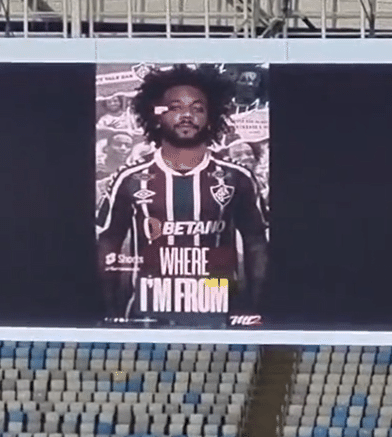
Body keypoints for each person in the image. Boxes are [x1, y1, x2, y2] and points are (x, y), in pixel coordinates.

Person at [96, 64, 268, 324]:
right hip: (147, 317)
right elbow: (108, 243)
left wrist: (254, 307)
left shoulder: (238, 177)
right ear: (155, 115)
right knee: (119, 368)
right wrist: (110, 312)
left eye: (197, 109)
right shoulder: (129, 178)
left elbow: (256, 243)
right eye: (175, 108)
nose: (186, 116)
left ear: (212, 117)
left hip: (218, 317)